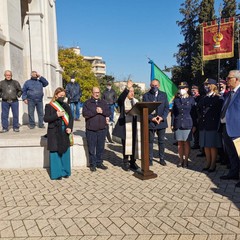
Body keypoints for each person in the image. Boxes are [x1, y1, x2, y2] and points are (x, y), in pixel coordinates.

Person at [43, 87, 73, 180]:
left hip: (65, 131)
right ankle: (57, 174)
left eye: (63, 96)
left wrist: (69, 128)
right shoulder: (49, 106)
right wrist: (57, 115)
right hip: (54, 132)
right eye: (60, 96)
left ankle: (65, 172)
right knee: (55, 152)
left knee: (65, 151)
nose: (62, 98)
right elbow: (46, 119)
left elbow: (71, 118)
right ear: (56, 95)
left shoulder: (66, 105)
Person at [112, 80, 141, 171]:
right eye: (130, 91)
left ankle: (133, 162)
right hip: (125, 126)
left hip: (135, 126)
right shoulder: (123, 101)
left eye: (133, 91)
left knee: (134, 145)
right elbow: (120, 98)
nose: (132, 93)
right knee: (126, 145)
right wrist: (127, 88)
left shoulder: (136, 101)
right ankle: (125, 162)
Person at [197, 78, 223, 172]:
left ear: (213, 86)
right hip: (204, 124)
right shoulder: (204, 97)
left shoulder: (218, 97)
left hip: (212, 124)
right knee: (206, 145)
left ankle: (213, 164)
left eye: (208, 85)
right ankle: (208, 162)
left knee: (212, 145)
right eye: (205, 85)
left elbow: (219, 112)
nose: (206, 86)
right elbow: (199, 109)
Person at [219, 70, 240, 186]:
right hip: (226, 128)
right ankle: (233, 173)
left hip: (237, 129)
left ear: (236, 79)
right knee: (231, 153)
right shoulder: (228, 93)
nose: (227, 80)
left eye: (229, 78)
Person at [82, 87, 111, 172]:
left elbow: (109, 112)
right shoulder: (87, 103)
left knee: (100, 148)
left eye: (98, 92)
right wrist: (95, 111)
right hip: (91, 130)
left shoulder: (103, 102)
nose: (97, 94)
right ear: (92, 93)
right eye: (95, 92)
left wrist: (102, 112)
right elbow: (85, 114)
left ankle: (99, 162)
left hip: (102, 129)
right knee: (91, 148)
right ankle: (92, 164)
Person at [142, 79, 169, 166]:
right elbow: (144, 109)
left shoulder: (164, 95)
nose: (154, 87)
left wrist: (162, 117)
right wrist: (151, 118)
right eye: (153, 85)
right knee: (150, 141)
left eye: (156, 85)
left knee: (161, 141)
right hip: (151, 122)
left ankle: (162, 158)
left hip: (161, 122)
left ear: (159, 86)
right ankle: (150, 159)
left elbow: (166, 108)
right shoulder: (146, 95)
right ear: (150, 85)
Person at [171, 82, 196, 168]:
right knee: (179, 144)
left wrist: (195, 125)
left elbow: (194, 113)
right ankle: (180, 159)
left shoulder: (191, 99)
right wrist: (172, 124)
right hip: (178, 123)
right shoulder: (176, 99)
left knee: (186, 143)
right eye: (180, 88)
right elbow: (173, 113)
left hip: (188, 123)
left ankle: (186, 161)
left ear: (187, 89)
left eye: (183, 88)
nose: (181, 89)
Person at [190, 85, 201, 150]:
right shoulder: (192, 98)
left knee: (197, 131)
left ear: (197, 91)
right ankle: (196, 143)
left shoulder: (199, 98)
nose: (192, 91)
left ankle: (197, 144)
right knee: (194, 132)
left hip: (198, 116)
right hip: (192, 116)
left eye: (194, 90)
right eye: (192, 90)